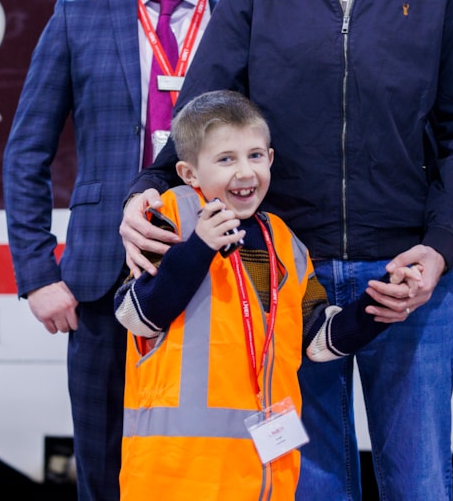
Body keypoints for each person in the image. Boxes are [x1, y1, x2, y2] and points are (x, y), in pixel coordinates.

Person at [119, 0, 453, 501]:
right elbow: (199, 118)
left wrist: (442, 249)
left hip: (407, 283)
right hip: (286, 281)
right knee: (311, 484)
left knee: (419, 484)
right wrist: (146, 191)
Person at [3, 0, 222, 501]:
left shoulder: (243, 16)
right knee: (104, 471)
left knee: (200, 470)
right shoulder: (79, 16)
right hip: (98, 280)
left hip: (212, 269)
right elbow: (26, 153)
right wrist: (39, 275)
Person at [113, 90, 421, 500]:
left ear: (271, 159)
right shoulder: (169, 217)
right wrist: (199, 248)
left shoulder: (282, 239)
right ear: (189, 173)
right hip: (178, 476)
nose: (245, 172)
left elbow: (318, 341)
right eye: (226, 159)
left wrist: (376, 307)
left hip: (263, 478)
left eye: (255, 156)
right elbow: (136, 315)